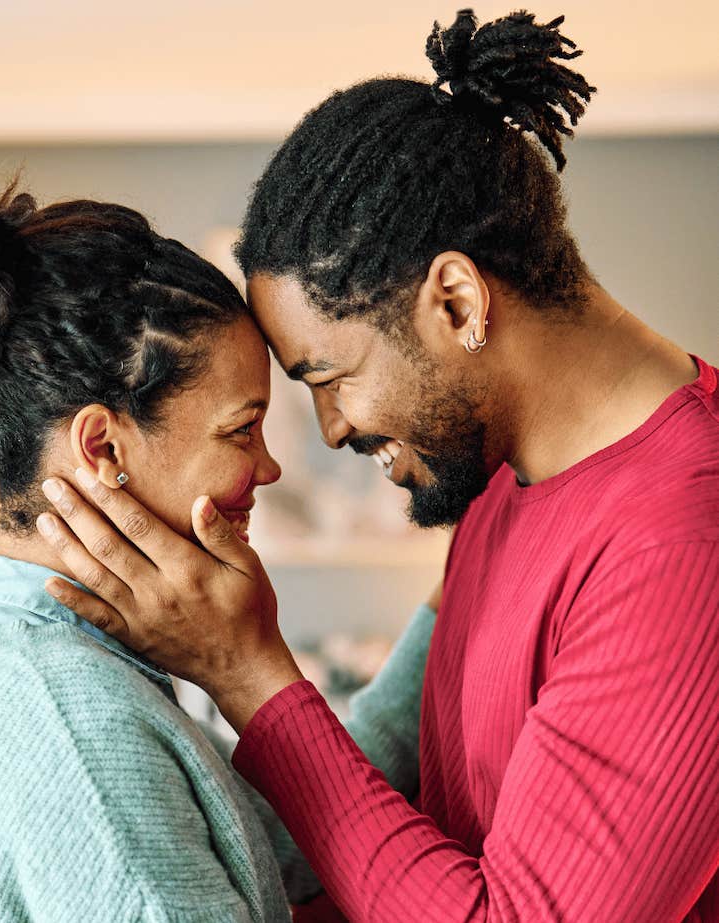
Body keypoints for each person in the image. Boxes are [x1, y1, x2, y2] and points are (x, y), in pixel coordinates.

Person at [36, 9, 719, 923]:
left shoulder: (682, 541)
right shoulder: (498, 478)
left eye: (329, 376)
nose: (328, 431)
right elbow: (427, 831)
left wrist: (249, 673)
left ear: (456, 299)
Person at [0, 165, 438, 922]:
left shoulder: (4, 647)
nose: (267, 467)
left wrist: (455, 589)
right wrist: (245, 660)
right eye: (241, 429)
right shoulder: (74, 722)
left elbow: (277, 841)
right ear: (103, 447)